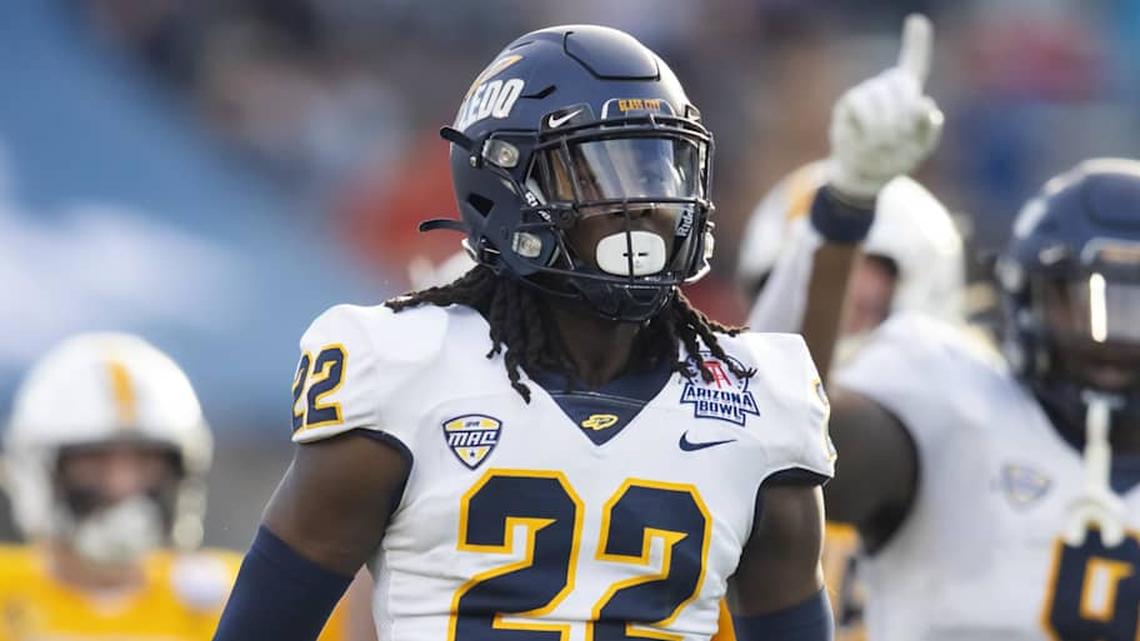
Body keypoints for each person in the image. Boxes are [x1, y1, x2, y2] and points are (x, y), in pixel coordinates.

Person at [212, 20, 940, 641]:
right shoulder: (404, 366)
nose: (648, 202)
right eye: (601, 172)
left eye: (663, 165)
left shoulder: (760, 396)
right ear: (503, 184)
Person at [0, 332, 357, 641]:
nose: (123, 485)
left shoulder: (234, 596)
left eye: (146, 462)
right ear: (39, 471)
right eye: (95, 462)